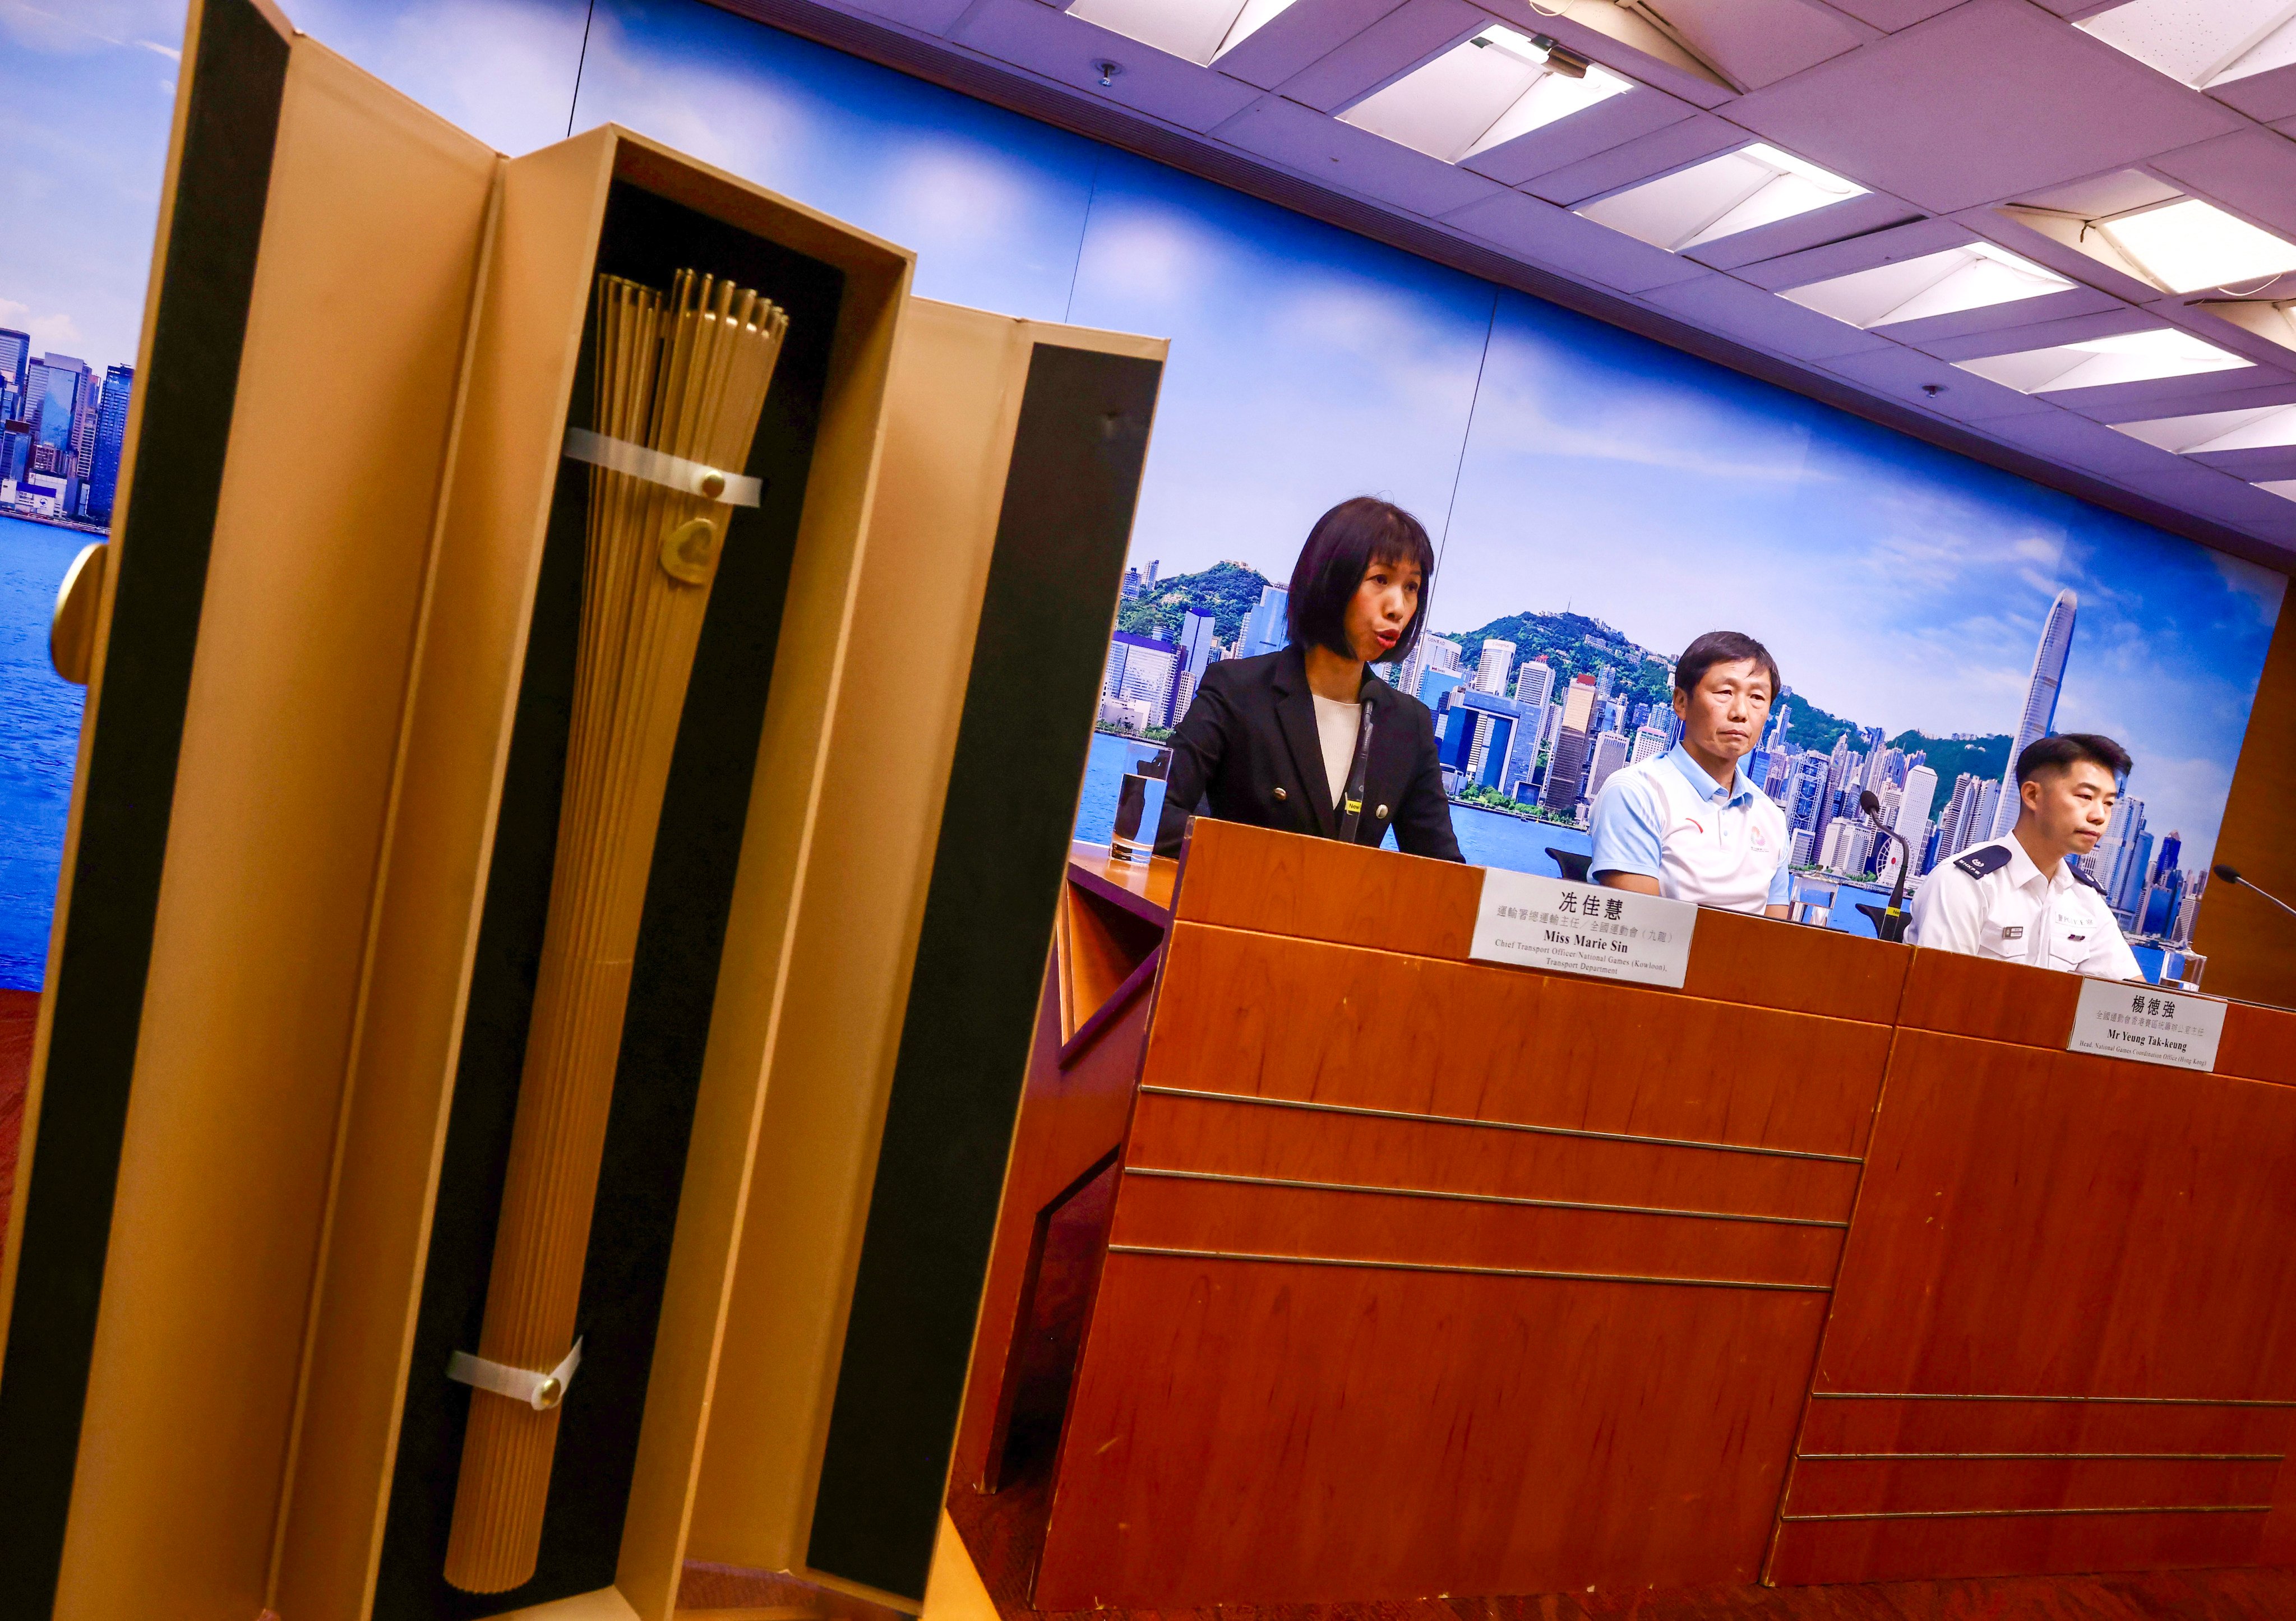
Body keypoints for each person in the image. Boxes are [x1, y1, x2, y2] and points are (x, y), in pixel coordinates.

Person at [1155, 496, 1462, 861]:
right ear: (1332, 581)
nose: (1398, 607)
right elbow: (1154, 813)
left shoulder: (1408, 723)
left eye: (1411, 587)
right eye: (1380, 579)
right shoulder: (1236, 689)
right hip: (1232, 911)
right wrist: (1279, 872)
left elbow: (1443, 873)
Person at [1588, 631, 1791, 917]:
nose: (1741, 712)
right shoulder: (1636, 792)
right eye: (1725, 692)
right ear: (1682, 702)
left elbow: (1780, 939)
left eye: (1757, 697)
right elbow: (1638, 931)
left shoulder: (1773, 819)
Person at [1906, 732, 2141, 979]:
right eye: (2085, 797)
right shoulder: (1965, 884)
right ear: (2032, 795)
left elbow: (2128, 994)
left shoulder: (2086, 898)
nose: (2100, 816)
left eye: (2109, 803)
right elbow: (1937, 1000)